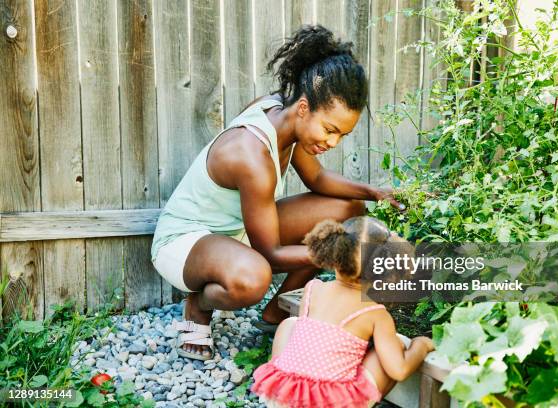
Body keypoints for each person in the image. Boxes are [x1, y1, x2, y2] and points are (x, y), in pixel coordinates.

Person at [150, 24, 405, 360]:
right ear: (303, 108)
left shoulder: (284, 115)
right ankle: (198, 307)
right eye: (330, 130)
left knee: (346, 210)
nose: (332, 142)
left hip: (238, 230)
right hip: (186, 240)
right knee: (253, 276)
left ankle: (277, 315)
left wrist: (374, 192)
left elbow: (318, 180)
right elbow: (269, 253)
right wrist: (344, 255)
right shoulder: (251, 156)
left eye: (341, 136)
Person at [252, 217, 435, 408]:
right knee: (394, 344)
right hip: (331, 404)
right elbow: (399, 370)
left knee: (290, 323)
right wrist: (421, 344)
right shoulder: (375, 313)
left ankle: (280, 377)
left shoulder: (312, 288)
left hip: (283, 398)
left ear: (333, 254)